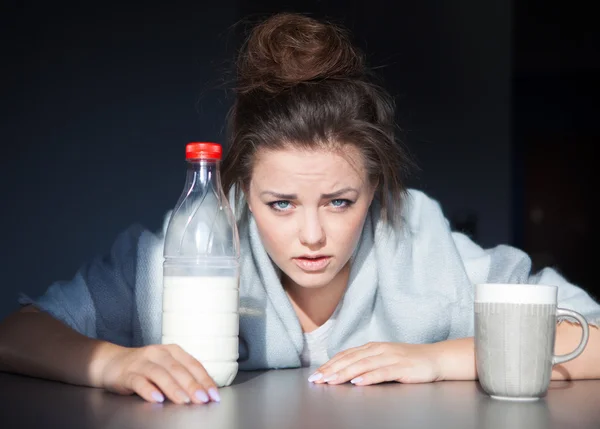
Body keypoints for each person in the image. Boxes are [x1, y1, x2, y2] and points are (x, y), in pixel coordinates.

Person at [1, 12, 599, 406]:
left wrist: (439, 359)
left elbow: (592, 337)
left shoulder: (421, 242)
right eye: (280, 203)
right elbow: (16, 334)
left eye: (340, 201)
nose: (312, 235)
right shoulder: (184, 252)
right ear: (240, 193)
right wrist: (112, 364)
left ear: (378, 191)